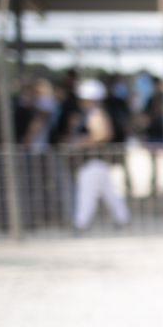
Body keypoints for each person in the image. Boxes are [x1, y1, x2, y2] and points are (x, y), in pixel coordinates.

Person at [70, 78, 129, 231]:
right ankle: (122, 217)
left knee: (87, 193)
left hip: (94, 160)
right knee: (109, 191)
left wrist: (81, 142)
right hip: (97, 161)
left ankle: (81, 223)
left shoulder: (95, 114)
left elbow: (103, 134)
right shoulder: (94, 113)